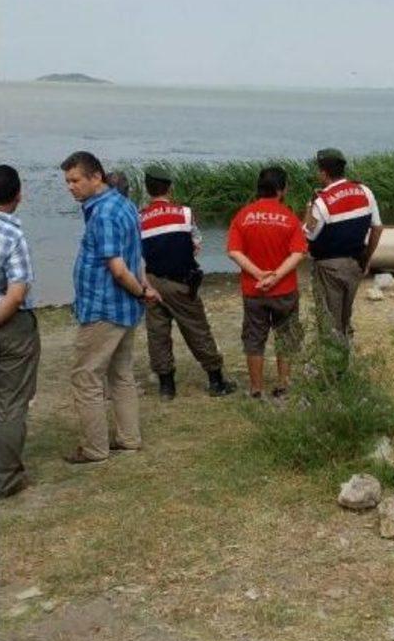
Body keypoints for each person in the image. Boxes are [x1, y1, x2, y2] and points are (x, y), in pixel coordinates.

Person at [61, 151, 159, 464]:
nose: (70, 187)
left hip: (104, 307)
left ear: (96, 177)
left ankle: (94, 448)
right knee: (121, 373)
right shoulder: (125, 204)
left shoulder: (103, 213)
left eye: (75, 180)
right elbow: (136, 256)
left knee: (86, 376)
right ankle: (128, 438)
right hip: (123, 307)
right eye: (67, 181)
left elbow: (118, 268)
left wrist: (141, 290)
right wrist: (142, 288)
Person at [139, 166, 235, 399]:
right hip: (181, 282)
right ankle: (215, 379)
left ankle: (166, 386)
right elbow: (196, 243)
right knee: (197, 329)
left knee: (158, 333)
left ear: (148, 188)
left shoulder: (139, 217)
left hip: (151, 281)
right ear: (170, 187)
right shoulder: (185, 213)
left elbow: (137, 253)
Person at [227, 166, 307, 398]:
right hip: (284, 290)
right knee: (286, 336)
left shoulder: (243, 215)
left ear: (259, 189)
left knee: (254, 338)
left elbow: (233, 251)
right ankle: (283, 384)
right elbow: (298, 254)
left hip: (254, 290)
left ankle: (256, 388)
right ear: (282, 190)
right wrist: (275, 277)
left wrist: (259, 274)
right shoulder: (290, 217)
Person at [304, 148, 382, 363]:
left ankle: (334, 370)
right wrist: (367, 258)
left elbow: (308, 235)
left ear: (323, 173)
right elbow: (377, 228)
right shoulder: (364, 191)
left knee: (329, 321)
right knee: (345, 318)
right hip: (355, 263)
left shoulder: (323, 201)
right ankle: (345, 363)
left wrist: (309, 207)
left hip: (329, 266)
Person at [0, 165, 40, 499]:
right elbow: (16, 294)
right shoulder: (12, 235)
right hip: (10, 327)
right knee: (13, 402)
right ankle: (6, 478)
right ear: (18, 195)